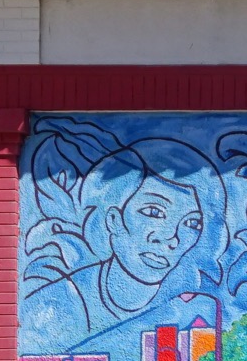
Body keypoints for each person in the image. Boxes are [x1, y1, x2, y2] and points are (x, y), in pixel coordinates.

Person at [24, 139, 211, 335]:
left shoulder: (195, 308)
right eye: (153, 212)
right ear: (114, 219)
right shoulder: (55, 306)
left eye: (192, 223)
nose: (171, 238)